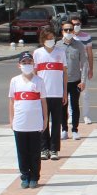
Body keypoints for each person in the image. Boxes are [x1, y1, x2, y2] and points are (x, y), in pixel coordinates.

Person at [9, 52, 47, 189]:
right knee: (22, 151)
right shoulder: (14, 81)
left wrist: (45, 119)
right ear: (19, 65)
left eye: (29, 62)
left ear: (33, 64)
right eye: (24, 63)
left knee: (35, 152)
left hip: (35, 123)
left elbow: (43, 102)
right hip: (20, 123)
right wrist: (11, 119)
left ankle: (35, 176)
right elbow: (12, 102)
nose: (27, 65)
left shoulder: (39, 81)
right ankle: (24, 175)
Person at [33, 26, 68, 160]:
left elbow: (64, 73)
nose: (50, 41)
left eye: (52, 38)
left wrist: (64, 92)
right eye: (48, 39)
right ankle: (44, 148)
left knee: (56, 122)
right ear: (43, 40)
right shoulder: (37, 53)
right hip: (43, 94)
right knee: (43, 122)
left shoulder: (60, 53)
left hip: (57, 93)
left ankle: (54, 149)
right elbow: (35, 73)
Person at [59, 20, 89, 140]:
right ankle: (64, 129)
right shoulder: (57, 45)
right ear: (62, 31)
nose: (68, 32)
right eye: (66, 30)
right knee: (62, 106)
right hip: (61, 81)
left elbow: (84, 63)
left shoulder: (79, 45)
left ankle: (75, 129)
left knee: (74, 105)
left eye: (70, 30)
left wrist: (83, 81)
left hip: (75, 80)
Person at [70, 16, 95, 128]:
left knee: (84, 94)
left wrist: (91, 69)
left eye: (78, 24)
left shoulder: (86, 37)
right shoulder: (68, 37)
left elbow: (89, 54)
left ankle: (86, 116)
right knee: (71, 94)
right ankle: (70, 116)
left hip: (83, 69)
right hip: (71, 70)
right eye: (74, 24)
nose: (76, 26)